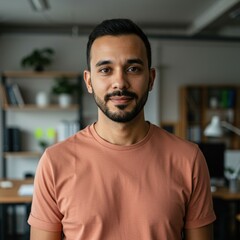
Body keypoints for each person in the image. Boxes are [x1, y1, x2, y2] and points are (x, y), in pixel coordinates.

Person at [28, 18, 216, 240]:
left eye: (133, 68)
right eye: (106, 70)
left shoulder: (189, 159)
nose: (120, 82)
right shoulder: (54, 162)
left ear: (151, 78)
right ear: (88, 81)